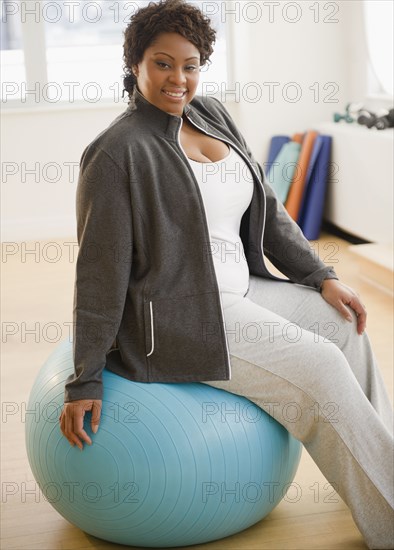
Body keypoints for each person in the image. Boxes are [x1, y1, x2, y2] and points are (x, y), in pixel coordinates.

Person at [59, 0, 394, 547]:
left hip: (241, 291)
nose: (178, 78)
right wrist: (85, 377)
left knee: (345, 327)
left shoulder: (210, 113)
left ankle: (381, 475)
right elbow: (98, 273)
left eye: (190, 65)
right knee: (322, 365)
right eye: (162, 63)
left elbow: (267, 205)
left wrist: (320, 276)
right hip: (175, 319)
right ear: (135, 63)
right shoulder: (117, 152)